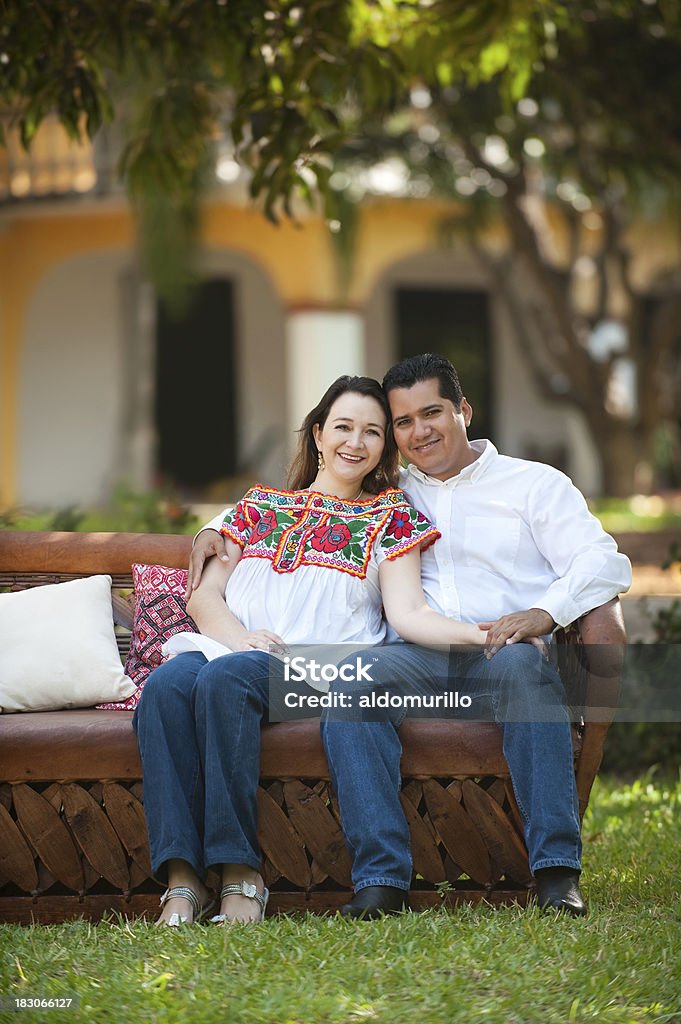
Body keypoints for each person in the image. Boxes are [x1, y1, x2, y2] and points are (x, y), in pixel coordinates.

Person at [191, 355, 632, 919]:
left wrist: (544, 613)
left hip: (503, 654)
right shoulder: (393, 492)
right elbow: (300, 497)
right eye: (402, 422)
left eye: (432, 414)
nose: (419, 431)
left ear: (462, 410)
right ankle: (381, 882)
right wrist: (211, 528)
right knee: (352, 689)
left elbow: (602, 562)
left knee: (524, 670)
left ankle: (555, 875)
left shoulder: (534, 485)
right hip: (412, 655)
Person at [134, 374, 495, 927]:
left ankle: (239, 873)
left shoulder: (391, 517)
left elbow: (408, 615)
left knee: (226, 680)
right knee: (162, 688)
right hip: (231, 649)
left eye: (373, 432)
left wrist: (485, 634)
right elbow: (204, 595)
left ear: (383, 448)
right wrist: (238, 640)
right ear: (320, 434)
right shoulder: (259, 507)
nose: (356, 441)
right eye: (344, 427)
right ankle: (183, 881)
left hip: (319, 666)